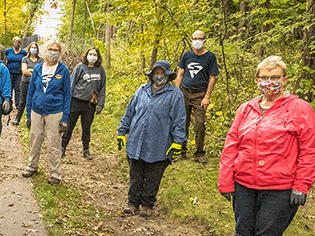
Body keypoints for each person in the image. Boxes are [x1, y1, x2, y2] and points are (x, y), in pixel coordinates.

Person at [217, 56, 315, 236]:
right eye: (264, 78)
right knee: (244, 229)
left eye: (274, 78)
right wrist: (226, 178)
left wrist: (301, 185)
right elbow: (232, 143)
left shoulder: (300, 109)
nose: (269, 82)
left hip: (279, 187)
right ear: (257, 80)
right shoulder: (247, 108)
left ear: (284, 80)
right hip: (244, 182)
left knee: (267, 234)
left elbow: (310, 150)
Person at [116, 60, 186, 216]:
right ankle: (133, 203)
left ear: (168, 75)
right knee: (136, 174)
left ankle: (147, 205)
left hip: (159, 143)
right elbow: (129, 113)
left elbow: (179, 120)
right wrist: (122, 132)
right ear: (152, 74)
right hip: (136, 141)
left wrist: (178, 142)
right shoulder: (141, 90)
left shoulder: (175, 94)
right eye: (157, 72)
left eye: (162, 73)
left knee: (153, 176)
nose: (159, 76)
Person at [22, 38, 71, 184]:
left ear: (60, 53)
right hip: (37, 110)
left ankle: (55, 174)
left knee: (53, 143)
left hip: (55, 111)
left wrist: (65, 118)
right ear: (46, 51)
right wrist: (28, 114)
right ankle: (32, 166)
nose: (53, 52)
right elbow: (30, 92)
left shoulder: (64, 70)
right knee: (35, 139)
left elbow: (67, 95)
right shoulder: (37, 68)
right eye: (50, 49)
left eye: (56, 50)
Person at [175, 30, 219, 164]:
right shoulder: (187, 55)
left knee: (199, 123)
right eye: (195, 38)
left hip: (200, 94)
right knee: (183, 122)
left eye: (200, 38)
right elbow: (180, 73)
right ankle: (181, 151)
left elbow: (213, 78)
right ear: (191, 40)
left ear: (204, 41)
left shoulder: (210, 57)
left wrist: (207, 97)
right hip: (184, 92)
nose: (197, 40)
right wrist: (176, 92)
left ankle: (199, 153)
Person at [61, 46, 106, 160]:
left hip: (90, 104)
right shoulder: (80, 67)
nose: (92, 56)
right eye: (90, 54)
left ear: (98, 57)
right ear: (86, 55)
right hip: (76, 101)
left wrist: (101, 104)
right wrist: (67, 101)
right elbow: (71, 83)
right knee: (69, 126)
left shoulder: (100, 70)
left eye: (95, 55)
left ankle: (86, 150)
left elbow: (103, 88)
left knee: (86, 128)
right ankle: (62, 147)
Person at [13, 41, 43, 126]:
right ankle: (17, 119)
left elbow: (41, 72)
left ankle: (30, 119)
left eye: (35, 47)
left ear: (37, 49)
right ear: (29, 49)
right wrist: (35, 72)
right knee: (22, 101)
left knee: (34, 101)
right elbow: (24, 71)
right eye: (32, 47)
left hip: (36, 84)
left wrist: (30, 70)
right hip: (25, 82)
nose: (33, 49)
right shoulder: (25, 59)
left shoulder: (41, 60)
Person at [4, 36, 27, 106]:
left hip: (19, 74)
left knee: (18, 90)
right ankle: (9, 105)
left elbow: (27, 59)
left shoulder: (23, 52)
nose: (16, 43)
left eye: (17, 42)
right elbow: (2, 56)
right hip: (9, 73)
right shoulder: (8, 51)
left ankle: (17, 105)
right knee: (9, 89)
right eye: (15, 42)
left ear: (20, 43)